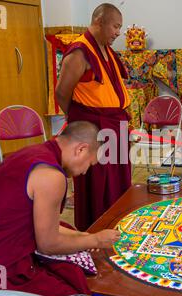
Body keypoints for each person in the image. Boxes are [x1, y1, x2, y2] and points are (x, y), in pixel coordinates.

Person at [0, 121, 121, 296]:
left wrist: (81, 237)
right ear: (81, 149)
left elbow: (33, 223)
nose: (84, 172)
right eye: (89, 164)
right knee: (73, 293)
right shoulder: (52, 177)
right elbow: (48, 245)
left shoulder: (32, 152)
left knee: (67, 232)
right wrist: (96, 241)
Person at [55, 3, 131, 231]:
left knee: (118, 180)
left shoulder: (105, 49)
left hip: (114, 124)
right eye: (116, 26)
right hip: (94, 127)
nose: (118, 32)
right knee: (98, 182)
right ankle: (95, 231)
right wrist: (80, 118)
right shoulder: (80, 51)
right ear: (99, 21)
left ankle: (118, 223)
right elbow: (61, 92)